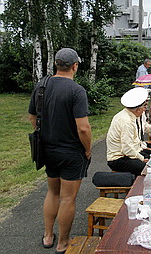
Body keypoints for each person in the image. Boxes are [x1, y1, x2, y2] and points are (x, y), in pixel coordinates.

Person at [28, 48, 92, 253]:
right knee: (67, 198)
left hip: (47, 149)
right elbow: (83, 128)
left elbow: (32, 118)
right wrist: (88, 150)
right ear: (75, 66)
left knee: (52, 192)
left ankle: (48, 236)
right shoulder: (76, 91)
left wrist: (46, 133)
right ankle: (63, 242)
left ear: (56, 64)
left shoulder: (41, 86)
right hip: (71, 152)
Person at [106, 87, 151, 176]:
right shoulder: (126, 121)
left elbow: (145, 127)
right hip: (119, 159)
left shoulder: (137, 115)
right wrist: (142, 158)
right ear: (138, 109)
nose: (145, 109)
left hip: (135, 151)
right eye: (144, 106)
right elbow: (127, 149)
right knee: (150, 168)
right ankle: (142, 188)